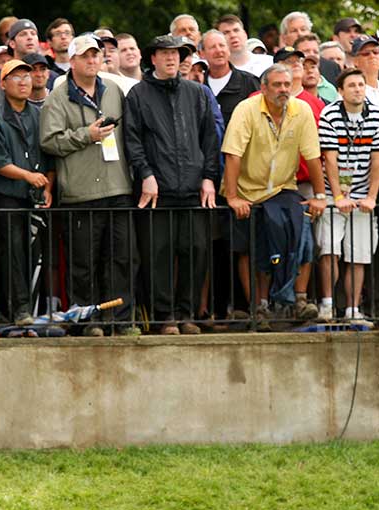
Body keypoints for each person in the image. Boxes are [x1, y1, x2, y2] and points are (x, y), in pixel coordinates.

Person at [40, 33, 137, 336]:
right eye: (85, 56)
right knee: (84, 264)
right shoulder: (57, 97)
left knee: (121, 258)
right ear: (72, 61)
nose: (93, 60)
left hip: (118, 187)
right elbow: (49, 141)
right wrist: (86, 135)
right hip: (81, 193)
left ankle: (119, 320)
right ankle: (87, 321)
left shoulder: (114, 91)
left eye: (96, 54)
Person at [125, 35, 220, 334]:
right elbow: (133, 140)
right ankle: (164, 316)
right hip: (157, 191)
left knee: (196, 251)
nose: (171, 59)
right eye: (164, 53)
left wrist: (209, 178)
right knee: (158, 255)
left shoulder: (198, 93)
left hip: (193, 188)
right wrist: (146, 175)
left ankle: (187, 313)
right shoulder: (138, 94)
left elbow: (210, 139)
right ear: (152, 58)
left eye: (176, 54)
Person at [221, 64, 326, 321]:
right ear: (263, 87)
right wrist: (233, 196)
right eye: (277, 85)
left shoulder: (301, 110)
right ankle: (259, 306)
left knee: (302, 233)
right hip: (247, 189)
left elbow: (313, 156)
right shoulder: (246, 109)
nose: (283, 90)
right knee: (250, 248)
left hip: (282, 187)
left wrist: (321, 196)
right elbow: (232, 154)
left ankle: (299, 300)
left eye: (286, 85)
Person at [0, 59, 54, 326]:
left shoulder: (40, 113)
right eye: (16, 77)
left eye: (27, 75)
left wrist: (48, 185)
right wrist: (29, 176)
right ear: (2, 83)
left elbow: (50, 156)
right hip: (6, 195)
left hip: (35, 197)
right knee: (11, 253)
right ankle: (16, 310)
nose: (24, 81)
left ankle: (32, 309)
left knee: (34, 254)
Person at [315, 68, 379, 323]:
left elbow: (378, 160)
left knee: (359, 254)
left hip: (362, 192)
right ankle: (327, 304)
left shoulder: (378, 115)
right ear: (340, 91)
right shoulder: (330, 114)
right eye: (352, 85)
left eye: (361, 84)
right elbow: (329, 159)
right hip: (332, 192)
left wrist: (371, 196)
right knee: (329, 249)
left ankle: (353, 309)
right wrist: (337, 196)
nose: (358, 89)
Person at [200, 29, 258, 128]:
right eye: (212, 47)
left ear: (228, 49)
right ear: (202, 53)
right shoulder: (198, 86)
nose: (219, 50)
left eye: (222, 45)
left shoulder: (249, 82)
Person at [215, 14, 272, 79]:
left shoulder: (269, 63)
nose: (233, 35)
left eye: (236, 30)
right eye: (226, 32)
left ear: (245, 34)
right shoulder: (215, 71)